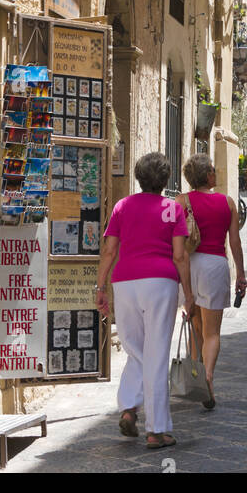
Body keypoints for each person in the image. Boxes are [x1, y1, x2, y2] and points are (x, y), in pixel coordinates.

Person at [96, 152, 194, 450]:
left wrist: (100, 287)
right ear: (165, 180)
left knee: (135, 349)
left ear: (138, 177)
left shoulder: (122, 206)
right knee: (156, 354)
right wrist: (188, 294)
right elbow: (179, 255)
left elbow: (110, 250)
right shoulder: (172, 209)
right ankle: (157, 429)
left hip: (125, 282)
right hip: (161, 283)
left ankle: (128, 407)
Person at [176, 153, 247, 410]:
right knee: (212, 332)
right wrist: (240, 273)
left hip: (188, 265)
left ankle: (195, 383)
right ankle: (207, 379)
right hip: (215, 266)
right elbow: (235, 243)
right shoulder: (227, 203)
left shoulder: (181, 201)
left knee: (195, 328)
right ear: (208, 175)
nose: (216, 173)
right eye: (214, 170)